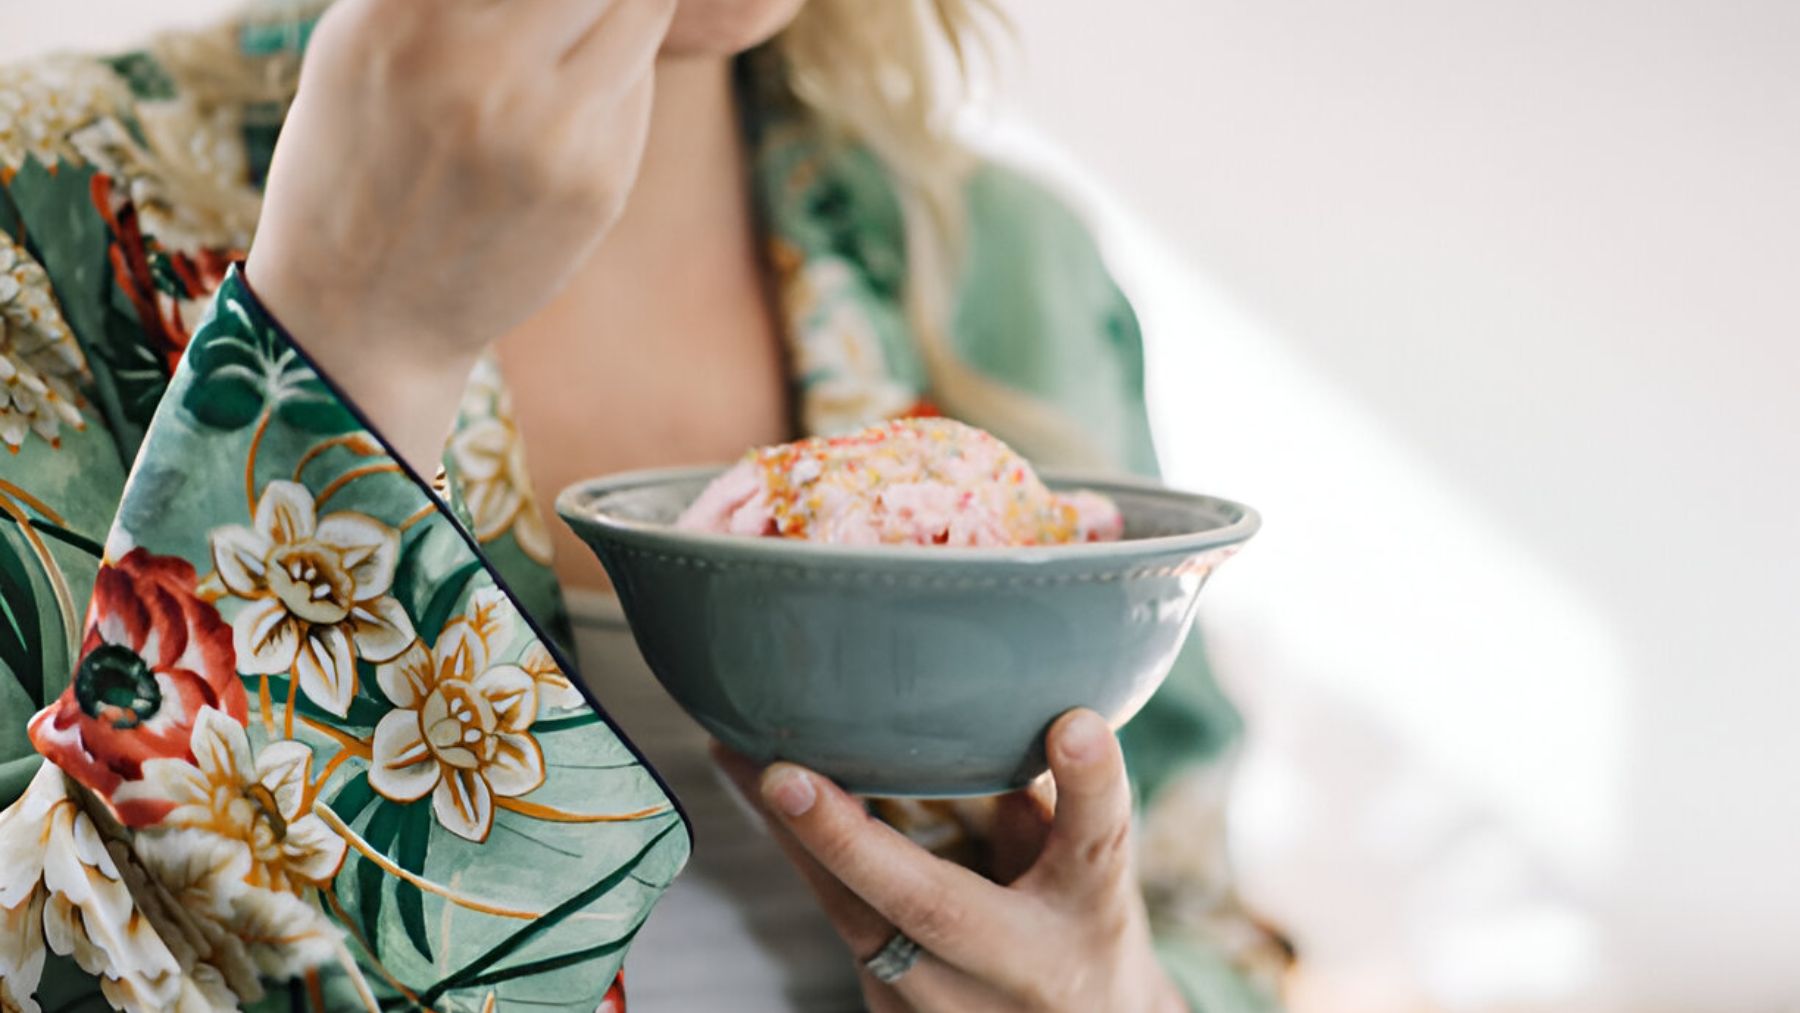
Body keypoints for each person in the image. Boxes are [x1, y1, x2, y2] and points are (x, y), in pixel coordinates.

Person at [0, 0, 1291, 1009]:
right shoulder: (44, 208)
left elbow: (1187, 899)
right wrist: (351, 350)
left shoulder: (1010, 264)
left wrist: (1121, 993)